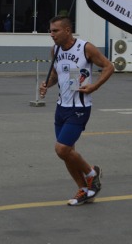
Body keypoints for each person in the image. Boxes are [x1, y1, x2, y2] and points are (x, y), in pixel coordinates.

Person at [39, 15, 114, 206]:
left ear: (67, 31)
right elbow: (56, 75)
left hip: (79, 107)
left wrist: (94, 86)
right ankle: (85, 189)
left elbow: (109, 66)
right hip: (61, 106)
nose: (51, 34)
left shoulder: (85, 48)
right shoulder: (55, 50)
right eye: (50, 31)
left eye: (55, 31)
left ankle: (91, 173)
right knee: (67, 153)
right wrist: (47, 84)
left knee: (61, 148)